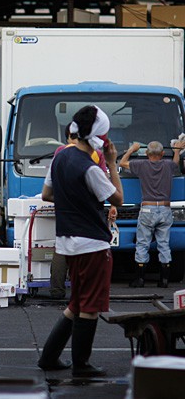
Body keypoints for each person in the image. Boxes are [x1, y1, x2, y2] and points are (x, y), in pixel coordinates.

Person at [38, 105, 123, 378]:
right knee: (89, 307)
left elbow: (47, 195)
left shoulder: (60, 158)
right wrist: (111, 162)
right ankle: (82, 365)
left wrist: (72, 200)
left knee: (75, 303)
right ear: (101, 138)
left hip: (67, 241)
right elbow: (117, 198)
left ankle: (49, 357)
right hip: (92, 243)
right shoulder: (90, 169)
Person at [49, 125, 118, 299]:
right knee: (89, 251)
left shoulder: (59, 153)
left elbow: (47, 191)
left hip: (65, 210)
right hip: (89, 211)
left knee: (62, 249)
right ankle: (83, 293)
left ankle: (57, 290)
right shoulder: (96, 156)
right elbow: (108, 188)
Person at [119, 140, 185, 288]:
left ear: (147, 154)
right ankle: (164, 280)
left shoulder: (141, 165)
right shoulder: (168, 165)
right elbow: (176, 163)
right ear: (162, 154)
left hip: (147, 209)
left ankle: (140, 279)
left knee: (142, 244)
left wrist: (131, 150)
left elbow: (122, 163)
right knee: (164, 244)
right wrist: (176, 151)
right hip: (165, 209)